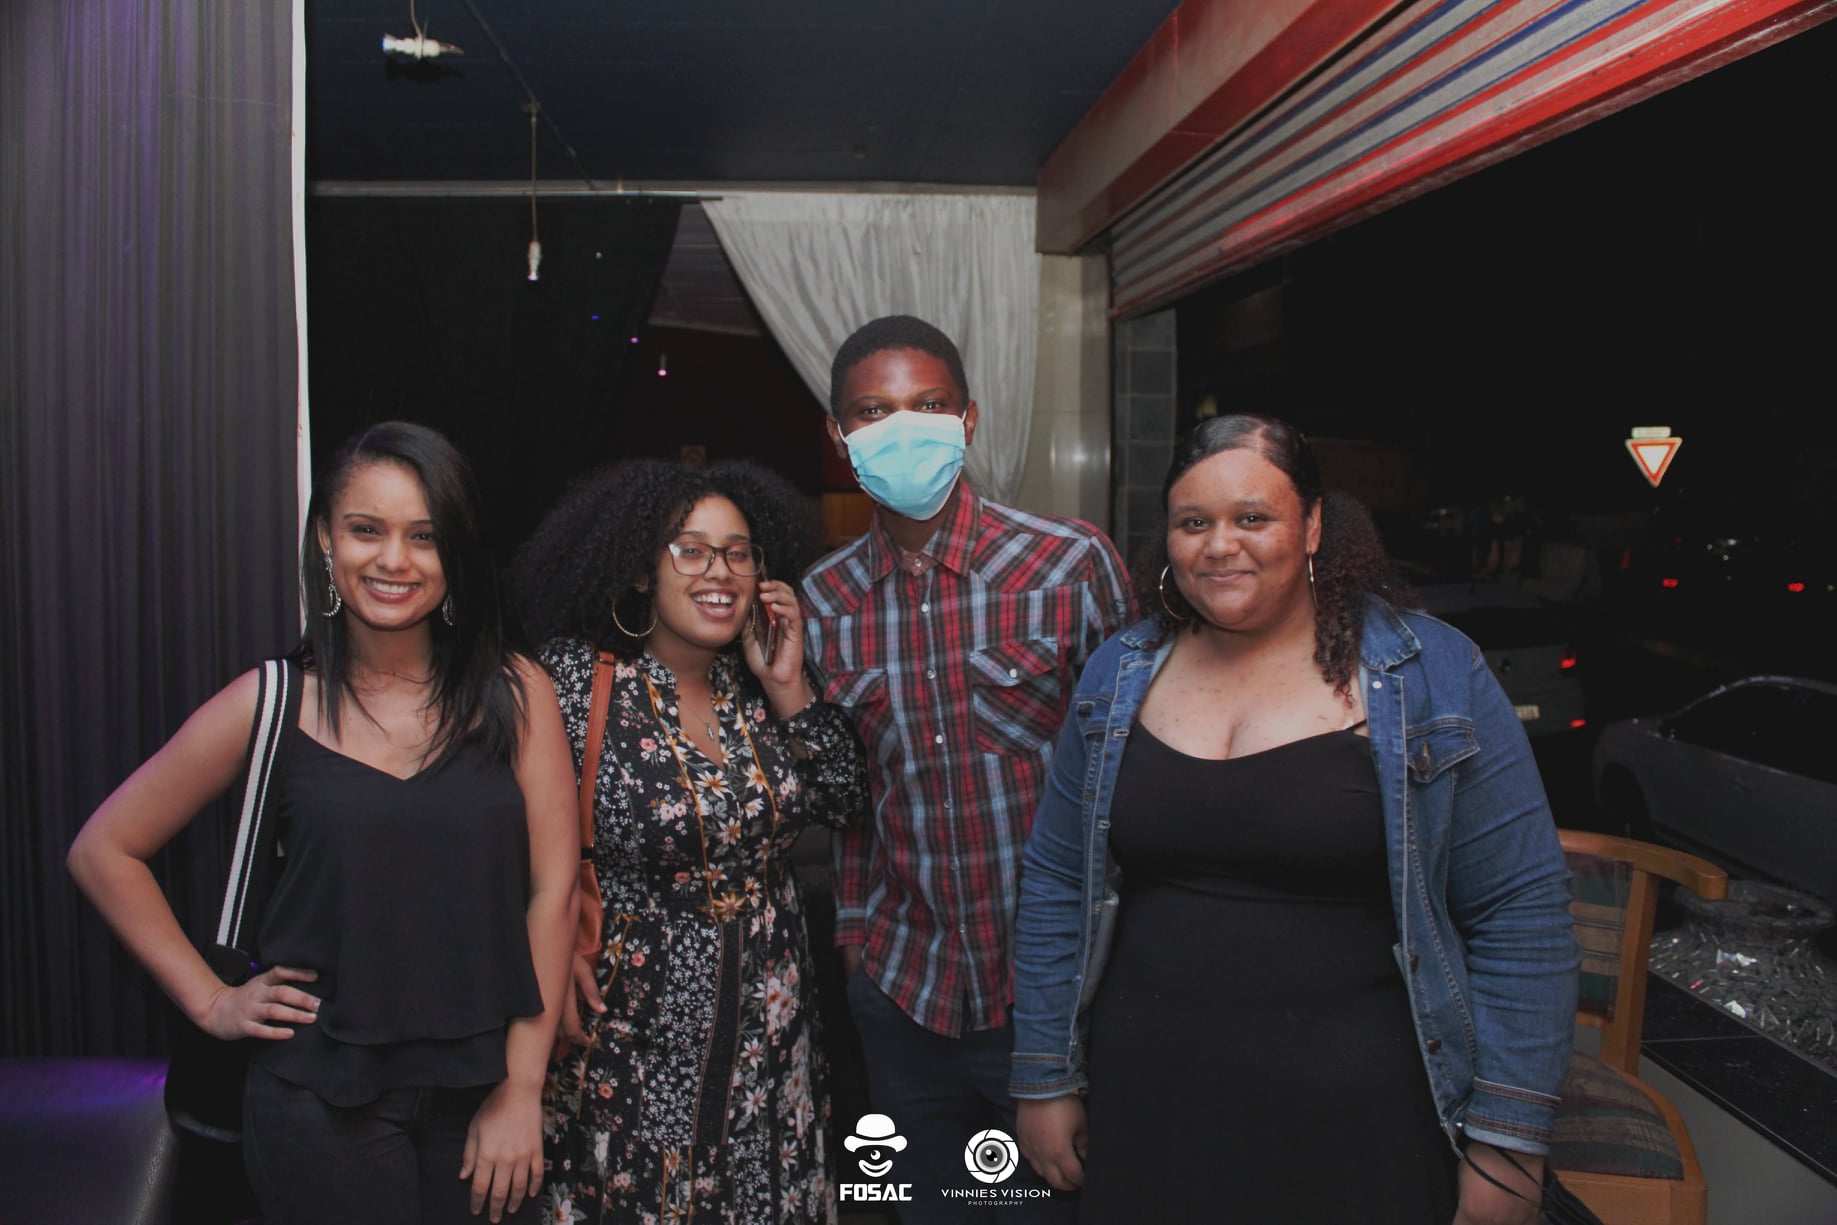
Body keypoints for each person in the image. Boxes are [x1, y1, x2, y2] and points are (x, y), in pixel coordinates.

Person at [1009, 414, 1580, 1224]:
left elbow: (1518, 910)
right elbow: (1057, 877)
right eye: (1192, 522)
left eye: (1251, 517)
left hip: (1361, 1122)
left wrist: (1507, 1141)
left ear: (1311, 526)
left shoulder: (1428, 671)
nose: (1219, 545)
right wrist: (1044, 1075)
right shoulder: (1119, 669)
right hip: (1147, 1107)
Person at [67, 421, 579, 1225]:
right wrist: (211, 999)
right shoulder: (272, 702)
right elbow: (104, 849)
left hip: (484, 1094)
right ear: (325, 541)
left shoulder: (515, 691)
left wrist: (522, 1085)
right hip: (314, 1103)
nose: (394, 559)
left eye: (424, 535)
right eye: (366, 529)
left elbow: (553, 891)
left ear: (454, 552)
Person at [800, 315, 1134, 1222]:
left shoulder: (1069, 564)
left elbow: (1134, 775)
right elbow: (850, 796)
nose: (902, 427)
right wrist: (859, 948)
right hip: (903, 998)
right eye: (873, 411)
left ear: (969, 420)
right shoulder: (824, 601)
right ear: (839, 434)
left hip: (1055, 1005)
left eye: (929, 403)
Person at [511, 459, 870, 1225]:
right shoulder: (576, 679)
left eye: (738, 553)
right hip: (628, 1038)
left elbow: (845, 797)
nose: (720, 571)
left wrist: (788, 684)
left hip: (771, 1039)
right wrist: (543, 953)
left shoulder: (756, 684)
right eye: (692, 550)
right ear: (643, 569)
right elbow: (499, 837)